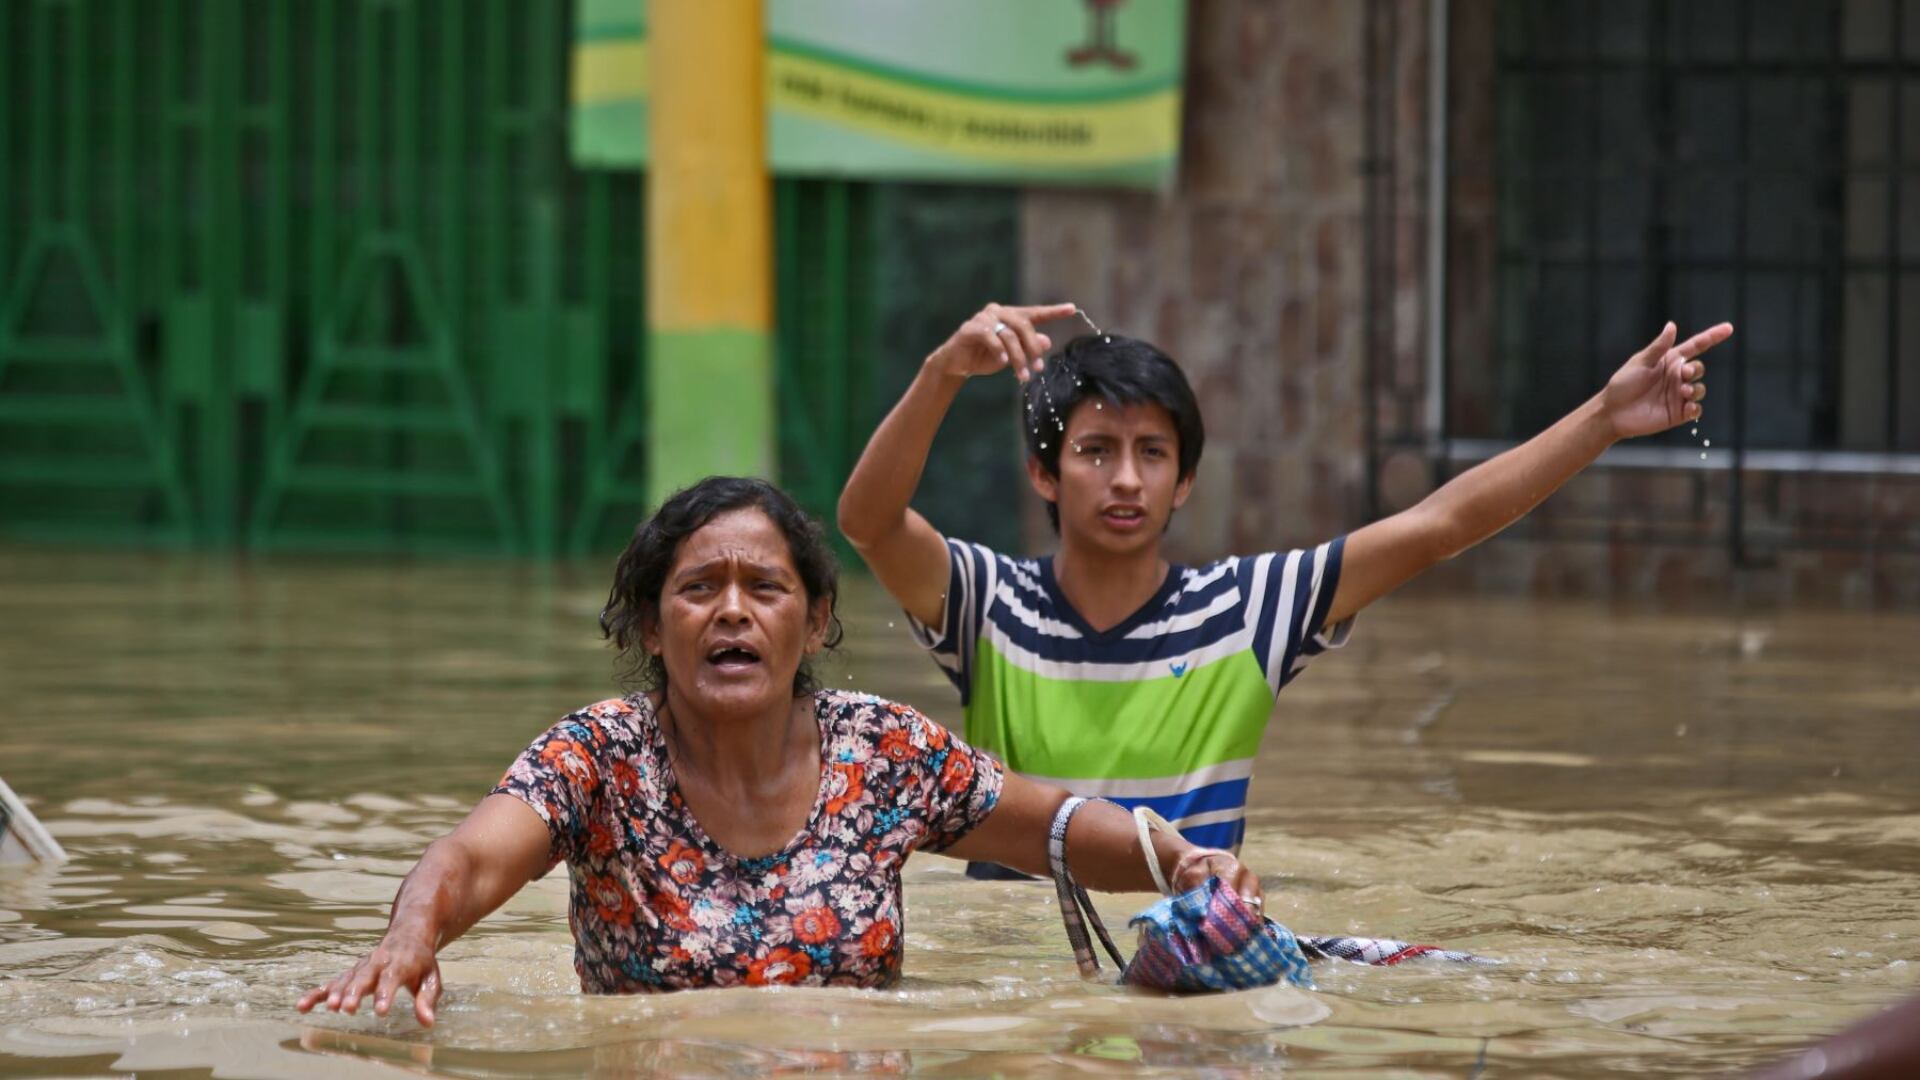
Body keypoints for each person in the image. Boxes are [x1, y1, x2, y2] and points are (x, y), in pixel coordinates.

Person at [297, 476, 1262, 1026]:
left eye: (764, 588)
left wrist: (1176, 857)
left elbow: (1044, 822)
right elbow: (466, 857)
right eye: (697, 588)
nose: (731, 611)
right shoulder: (599, 757)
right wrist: (409, 938)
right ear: (648, 626)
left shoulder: (880, 751)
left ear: (816, 619)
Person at [838, 303, 1731, 872]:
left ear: (1185, 481)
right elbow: (868, 524)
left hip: (1193, 948)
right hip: (1011, 972)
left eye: (1153, 454)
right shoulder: (990, 602)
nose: (1125, 480)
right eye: (1095, 452)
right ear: (1044, 474)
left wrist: (1604, 420)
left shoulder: (1247, 610)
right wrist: (941, 373)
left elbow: (1439, 526)